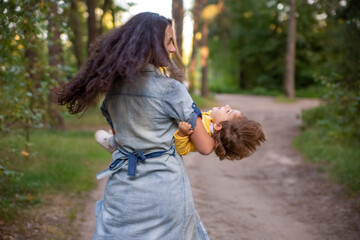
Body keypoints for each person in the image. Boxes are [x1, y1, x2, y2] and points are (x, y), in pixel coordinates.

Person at [58, 12, 213, 240]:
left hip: (123, 187)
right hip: (164, 189)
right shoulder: (171, 90)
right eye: (169, 42)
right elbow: (205, 147)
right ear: (152, 44)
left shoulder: (114, 89)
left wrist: (114, 142)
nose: (173, 50)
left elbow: (120, 139)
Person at [95, 104, 266, 160]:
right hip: (160, 126)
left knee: (131, 125)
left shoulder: (205, 135)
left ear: (220, 126)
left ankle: (114, 143)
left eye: (228, 112)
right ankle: (116, 138)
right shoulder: (209, 123)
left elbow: (183, 150)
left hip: (158, 138)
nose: (227, 106)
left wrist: (183, 134)